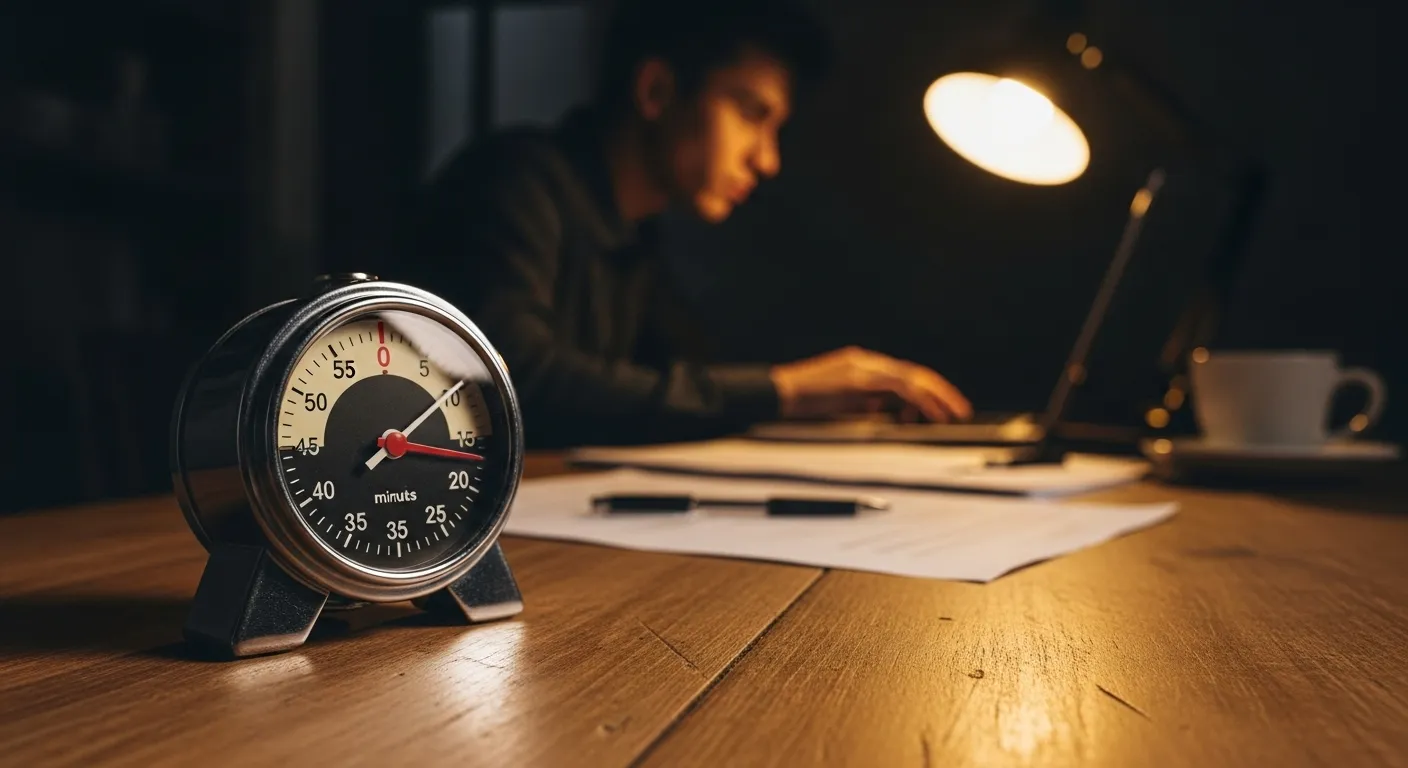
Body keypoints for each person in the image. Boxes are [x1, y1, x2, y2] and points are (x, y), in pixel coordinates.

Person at [405, 0, 972, 447]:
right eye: (752, 114)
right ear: (657, 90)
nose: (767, 159)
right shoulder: (515, 181)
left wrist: (830, 399)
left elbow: (690, 377)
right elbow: (508, 380)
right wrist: (788, 390)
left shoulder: (635, 233)